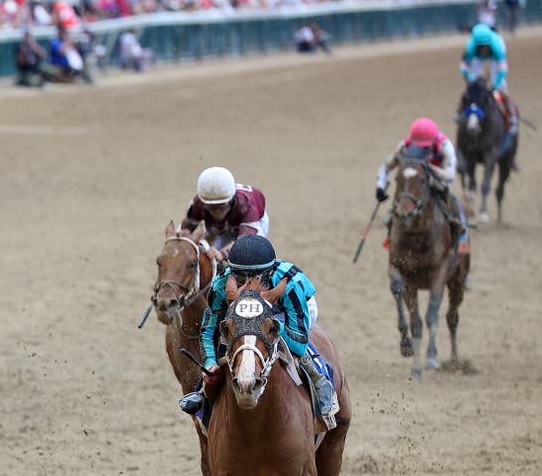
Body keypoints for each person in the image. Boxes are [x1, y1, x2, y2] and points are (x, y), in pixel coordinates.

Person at [178, 235, 338, 426]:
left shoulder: (291, 285)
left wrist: (266, 327)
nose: (248, 284)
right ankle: (203, 392)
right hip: (242, 310)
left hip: (285, 309)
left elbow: (299, 341)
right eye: (240, 277)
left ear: (270, 272)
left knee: (291, 348)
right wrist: (211, 362)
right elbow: (209, 331)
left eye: (255, 277)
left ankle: (317, 378)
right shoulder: (221, 285)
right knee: (226, 340)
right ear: (231, 272)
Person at [376, 117, 468, 254]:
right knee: (398, 205)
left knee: (457, 206)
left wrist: (430, 169)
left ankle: (462, 240)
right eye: (418, 145)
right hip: (414, 181)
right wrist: (380, 187)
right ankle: (392, 235)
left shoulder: (445, 146)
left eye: (424, 147)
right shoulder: (404, 145)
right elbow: (386, 167)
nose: (421, 149)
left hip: (438, 181)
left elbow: (450, 175)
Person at [180, 167, 269, 261]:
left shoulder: (247, 205)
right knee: (210, 254)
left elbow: (247, 243)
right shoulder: (197, 203)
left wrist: (223, 254)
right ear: (203, 202)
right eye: (211, 207)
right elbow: (184, 231)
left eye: (221, 206)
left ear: (232, 199)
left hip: (252, 222)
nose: (216, 212)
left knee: (247, 256)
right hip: (218, 226)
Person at [461, 22, 517, 151]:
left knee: (502, 89)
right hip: (477, 60)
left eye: (485, 45)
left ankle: (511, 117)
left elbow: (503, 69)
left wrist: (495, 85)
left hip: (495, 59)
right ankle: (461, 113)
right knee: (468, 89)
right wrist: (472, 82)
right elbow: (463, 67)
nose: (483, 48)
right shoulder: (471, 48)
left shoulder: (497, 45)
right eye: (480, 45)